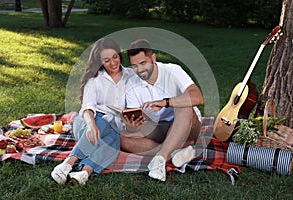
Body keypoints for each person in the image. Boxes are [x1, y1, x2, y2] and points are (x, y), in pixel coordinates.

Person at [51, 38, 134, 185]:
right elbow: (88, 108)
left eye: (115, 57)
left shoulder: (130, 76)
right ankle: (69, 162)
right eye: (107, 60)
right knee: (101, 126)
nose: (113, 63)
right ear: (100, 61)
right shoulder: (95, 79)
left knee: (113, 140)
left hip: (113, 124)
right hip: (87, 120)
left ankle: (84, 173)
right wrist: (91, 125)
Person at [120, 39, 204, 182]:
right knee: (122, 139)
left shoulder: (173, 70)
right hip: (158, 128)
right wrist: (132, 125)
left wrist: (166, 103)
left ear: (153, 58)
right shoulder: (131, 83)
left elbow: (198, 97)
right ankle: (174, 153)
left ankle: (161, 157)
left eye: (143, 63)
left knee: (184, 107)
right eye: (134, 66)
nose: (139, 70)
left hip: (187, 125)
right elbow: (136, 122)